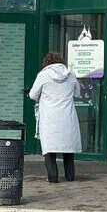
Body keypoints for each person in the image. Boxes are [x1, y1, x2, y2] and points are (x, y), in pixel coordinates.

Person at [29, 51, 82, 183]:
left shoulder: (43, 75)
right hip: (68, 115)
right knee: (68, 148)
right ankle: (70, 176)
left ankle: (53, 177)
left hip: (49, 117)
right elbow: (77, 93)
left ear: (46, 63)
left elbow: (32, 95)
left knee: (49, 147)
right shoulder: (71, 75)